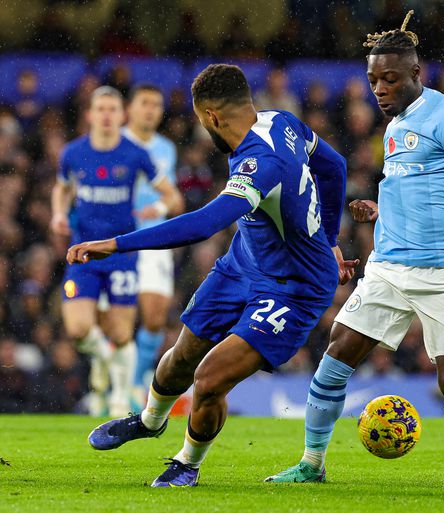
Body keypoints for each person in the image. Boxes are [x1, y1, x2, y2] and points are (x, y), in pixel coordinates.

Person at [67, 64, 353, 487]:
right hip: (245, 262)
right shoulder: (281, 121)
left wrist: (117, 243)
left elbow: (204, 224)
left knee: (209, 378)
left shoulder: (261, 163)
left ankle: (187, 463)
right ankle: (149, 420)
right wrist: (330, 238)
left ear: (211, 117)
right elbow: (335, 167)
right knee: (183, 354)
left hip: (295, 287)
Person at [267, 11, 444, 485]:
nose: (379, 88)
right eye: (373, 80)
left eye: (390, 79)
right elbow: (419, 187)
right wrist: (380, 211)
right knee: (336, 356)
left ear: (417, 73)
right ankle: (312, 464)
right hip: (390, 267)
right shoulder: (395, 125)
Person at [51, 86, 179, 417]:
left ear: (122, 115)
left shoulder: (136, 154)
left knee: (121, 333)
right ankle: (104, 359)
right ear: (90, 115)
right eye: (101, 109)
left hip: (122, 253)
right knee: (78, 329)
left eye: (112, 109)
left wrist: (159, 207)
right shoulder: (73, 153)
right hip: (83, 253)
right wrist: (58, 213)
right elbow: (61, 188)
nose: (106, 115)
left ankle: (120, 397)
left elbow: (171, 195)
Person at [122, 84, 184, 409]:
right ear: (130, 108)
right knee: (115, 322)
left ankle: (133, 388)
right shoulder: (114, 143)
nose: (150, 110)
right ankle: (114, 386)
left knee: (155, 317)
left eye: (156, 104)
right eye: (144, 103)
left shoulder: (166, 149)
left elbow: (175, 200)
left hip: (154, 238)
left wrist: (158, 208)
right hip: (118, 238)